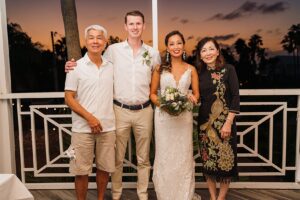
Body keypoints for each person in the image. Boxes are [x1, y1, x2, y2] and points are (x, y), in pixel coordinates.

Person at [65, 10, 161, 200]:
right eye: (131, 24)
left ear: (143, 26)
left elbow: (158, 76)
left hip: (144, 110)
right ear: (125, 26)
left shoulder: (153, 53)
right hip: (119, 110)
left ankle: (142, 195)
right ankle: (116, 195)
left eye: (138, 23)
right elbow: (92, 60)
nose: (135, 27)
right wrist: (69, 65)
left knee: (144, 159)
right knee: (116, 159)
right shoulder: (113, 50)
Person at [64, 25, 116, 200]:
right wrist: (90, 118)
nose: (95, 41)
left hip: (108, 127)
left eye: (99, 37)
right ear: (85, 42)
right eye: (91, 37)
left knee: (104, 168)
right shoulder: (75, 67)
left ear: (105, 42)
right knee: (81, 171)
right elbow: (69, 98)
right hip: (82, 128)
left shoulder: (111, 67)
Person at [150, 30, 200, 200]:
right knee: (165, 155)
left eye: (179, 43)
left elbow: (196, 95)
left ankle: (184, 195)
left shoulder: (191, 69)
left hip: (184, 119)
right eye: (172, 44)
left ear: (183, 45)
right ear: (167, 48)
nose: (176, 46)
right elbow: (153, 95)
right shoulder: (159, 69)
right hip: (164, 119)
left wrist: (191, 97)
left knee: (183, 155)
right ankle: (165, 195)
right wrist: (165, 105)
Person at [195, 37, 240, 200]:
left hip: (225, 124)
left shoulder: (229, 70)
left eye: (211, 49)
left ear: (218, 51)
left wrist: (228, 123)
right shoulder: (199, 73)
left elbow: (235, 97)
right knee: (208, 162)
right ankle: (213, 197)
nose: (208, 53)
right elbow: (196, 96)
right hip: (205, 125)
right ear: (200, 55)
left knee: (225, 163)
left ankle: (221, 198)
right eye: (204, 50)